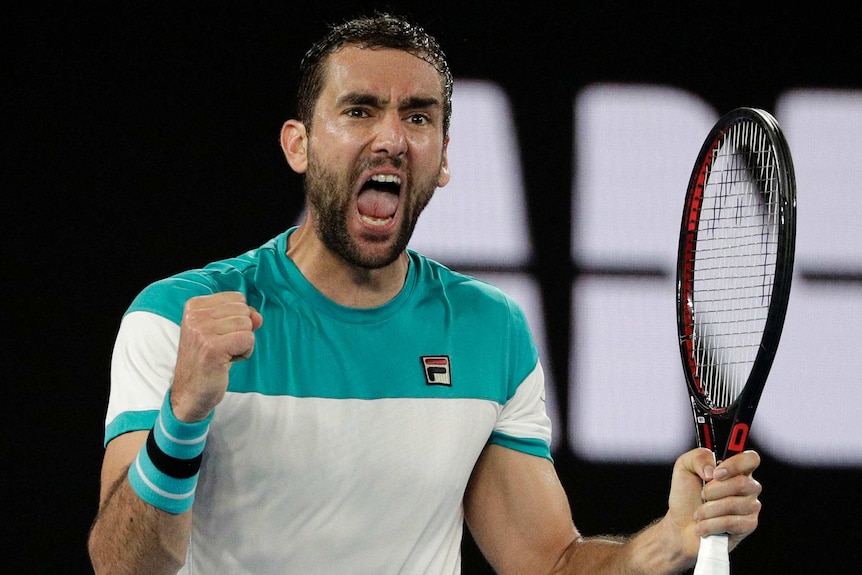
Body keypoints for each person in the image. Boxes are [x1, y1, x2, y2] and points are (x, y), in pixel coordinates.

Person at [87, 12, 762, 575]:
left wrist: (670, 538)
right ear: (299, 145)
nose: (390, 139)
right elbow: (121, 565)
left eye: (417, 117)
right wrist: (182, 417)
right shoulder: (177, 318)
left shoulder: (485, 330)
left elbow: (550, 562)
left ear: (442, 159)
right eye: (359, 111)